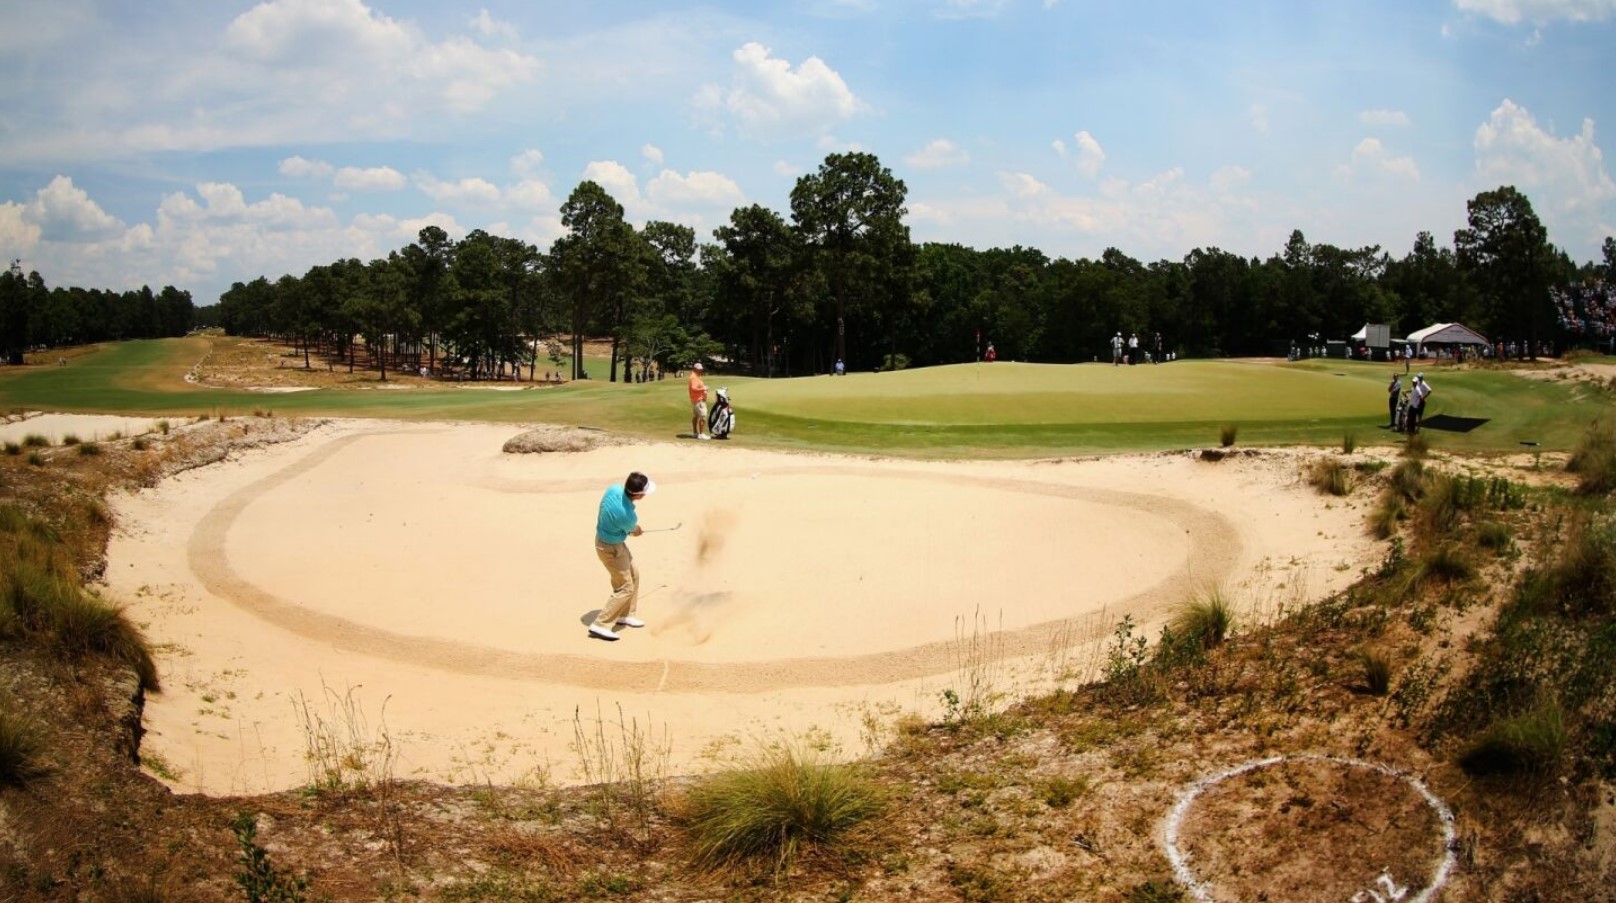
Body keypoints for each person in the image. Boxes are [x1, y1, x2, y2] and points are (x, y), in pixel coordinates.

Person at [589, 472, 655, 641]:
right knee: (625, 587)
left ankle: (625, 615)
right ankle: (600, 624)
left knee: (634, 575)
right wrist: (637, 530)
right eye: (644, 493)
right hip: (609, 549)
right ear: (637, 495)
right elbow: (634, 531)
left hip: (614, 542)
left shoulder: (614, 489)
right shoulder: (628, 516)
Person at [688, 362, 710, 440]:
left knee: (696, 416)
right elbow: (694, 388)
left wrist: (704, 387)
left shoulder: (697, 376)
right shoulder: (694, 377)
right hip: (699, 401)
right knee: (703, 416)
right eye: (699, 369)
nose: (700, 370)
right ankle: (701, 434)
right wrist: (704, 389)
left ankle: (695, 433)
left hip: (696, 400)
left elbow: (698, 386)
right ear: (695, 369)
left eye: (701, 369)